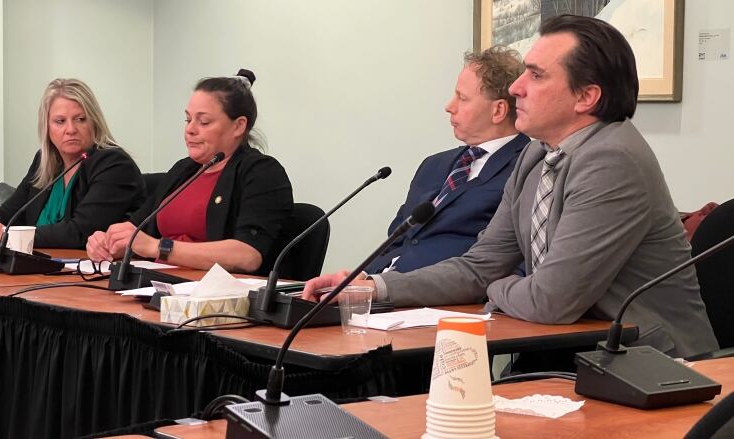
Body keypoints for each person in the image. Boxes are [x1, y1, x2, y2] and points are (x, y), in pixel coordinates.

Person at [304, 15, 718, 359]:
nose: (517, 87)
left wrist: (494, 287)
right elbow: (479, 264)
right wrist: (371, 286)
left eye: (535, 75)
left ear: (587, 96)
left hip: (656, 367)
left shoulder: (613, 160)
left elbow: (549, 302)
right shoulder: (537, 155)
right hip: (575, 353)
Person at [86, 70, 293, 274]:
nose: (190, 129)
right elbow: (137, 230)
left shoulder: (262, 173)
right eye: (188, 120)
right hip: (158, 285)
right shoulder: (183, 170)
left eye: (204, 122)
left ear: (238, 126)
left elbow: (247, 256)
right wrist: (109, 242)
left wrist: (159, 248)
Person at [365, 46, 529, 274]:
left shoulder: (528, 167)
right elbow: (395, 238)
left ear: (498, 110)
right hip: (382, 291)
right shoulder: (433, 165)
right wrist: (361, 280)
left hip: (447, 299)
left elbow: (504, 261)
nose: (449, 107)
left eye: (462, 98)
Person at [0, 78, 145, 249]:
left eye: (80, 119)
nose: (70, 129)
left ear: (94, 122)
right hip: (37, 267)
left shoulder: (115, 165)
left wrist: (3, 234)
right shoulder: (45, 161)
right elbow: (9, 213)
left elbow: (81, 233)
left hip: (84, 274)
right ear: (46, 127)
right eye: (60, 121)